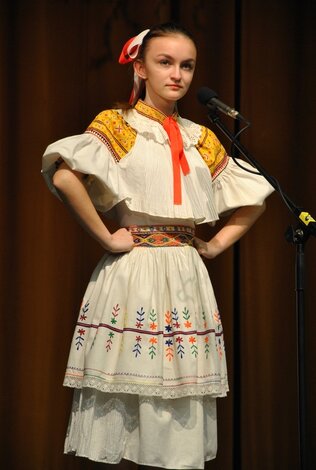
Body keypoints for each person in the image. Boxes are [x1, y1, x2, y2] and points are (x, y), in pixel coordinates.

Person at [42, 22, 273, 469]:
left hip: (185, 272)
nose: (178, 75)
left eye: (186, 66)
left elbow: (256, 199)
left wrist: (215, 245)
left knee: (180, 402)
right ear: (141, 67)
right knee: (135, 395)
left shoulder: (199, 137)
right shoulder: (119, 125)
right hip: (136, 271)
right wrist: (107, 236)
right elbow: (64, 172)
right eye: (165, 62)